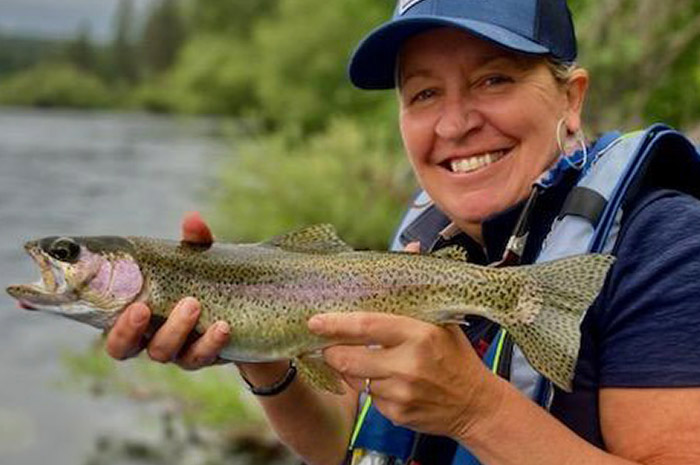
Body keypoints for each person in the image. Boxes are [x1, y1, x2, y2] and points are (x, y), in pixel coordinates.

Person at [105, 1, 700, 464]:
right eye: (424, 93)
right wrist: (254, 349)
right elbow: (341, 442)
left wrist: (475, 411)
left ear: (571, 99)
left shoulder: (666, 248)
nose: (455, 122)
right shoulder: (426, 250)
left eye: (493, 80)